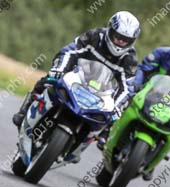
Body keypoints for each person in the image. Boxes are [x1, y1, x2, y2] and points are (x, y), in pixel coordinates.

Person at [12, 11, 141, 133]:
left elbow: (127, 88)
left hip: (100, 94)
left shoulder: (130, 60)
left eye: (125, 40)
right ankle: (25, 111)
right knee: (47, 81)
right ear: (110, 30)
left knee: (107, 122)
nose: (120, 42)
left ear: (132, 41)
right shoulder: (95, 36)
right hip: (76, 77)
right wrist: (59, 70)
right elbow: (69, 51)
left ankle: (78, 149)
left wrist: (116, 106)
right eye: (117, 37)